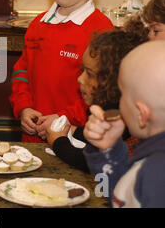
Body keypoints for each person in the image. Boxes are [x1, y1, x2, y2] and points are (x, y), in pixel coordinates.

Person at [9, 0, 114, 143]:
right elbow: (22, 70)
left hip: (74, 141)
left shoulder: (102, 30)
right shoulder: (38, 23)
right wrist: (24, 107)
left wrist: (64, 118)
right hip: (32, 140)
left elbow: (102, 91)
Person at [44, 28, 148, 172]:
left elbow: (89, 161)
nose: (80, 79)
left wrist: (58, 141)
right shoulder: (113, 104)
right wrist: (74, 131)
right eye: (83, 71)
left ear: (114, 81)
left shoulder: (118, 115)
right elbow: (97, 141)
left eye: (90, 74)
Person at [83, 40, 165, 208]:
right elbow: (121, 199)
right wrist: (108, 151)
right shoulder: (153, 162)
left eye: (122, 94)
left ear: (141, 115)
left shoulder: (158, 174)